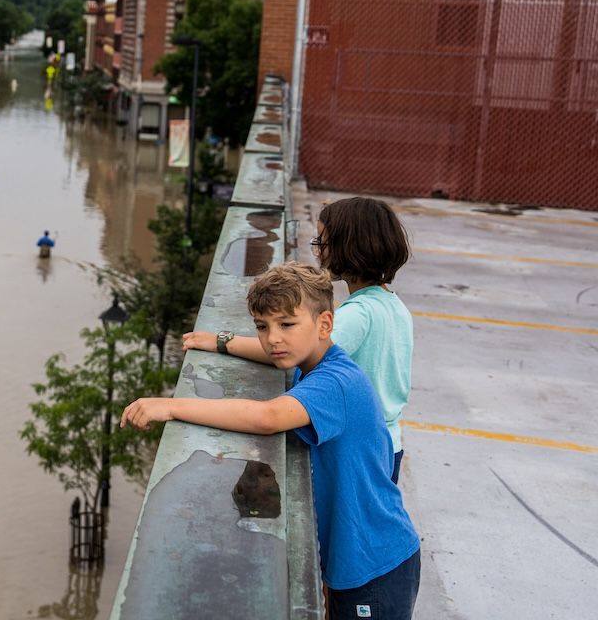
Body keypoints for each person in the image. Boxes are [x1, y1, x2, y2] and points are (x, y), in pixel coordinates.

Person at [122, 263, 420, 619]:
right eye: (263, 327)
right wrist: (221, 342)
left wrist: (170, 406)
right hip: (357, 555)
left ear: (325, 324)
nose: (273, 338)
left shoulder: (336, 383)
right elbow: (275, 353)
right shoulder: (314, 363)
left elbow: (268, 418)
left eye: (287, 324)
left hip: (375, 564)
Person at [183, 197, 413, 483]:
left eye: (322, 242)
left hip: (363, 450)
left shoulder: (360, 314)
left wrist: (224, 342)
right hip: (388, 441)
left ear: (348, 246)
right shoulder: (393, 305)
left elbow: (291, 351)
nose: (317, 250)